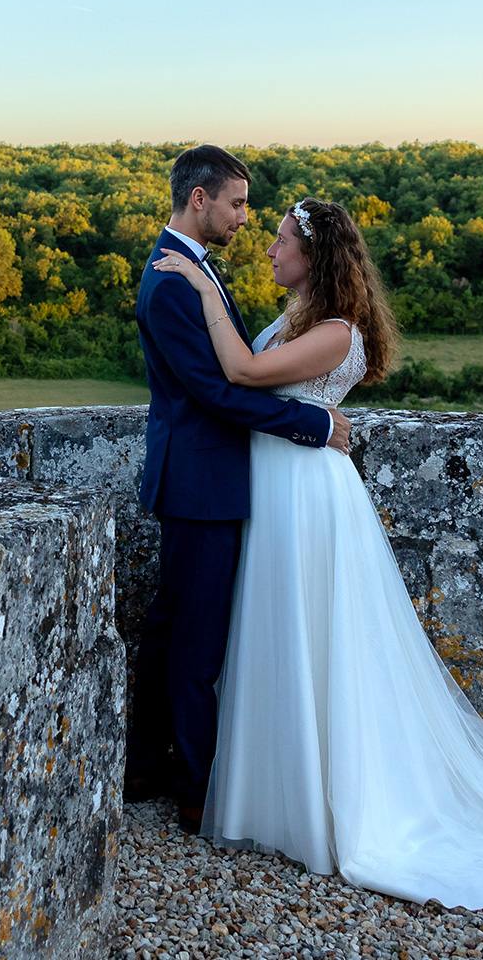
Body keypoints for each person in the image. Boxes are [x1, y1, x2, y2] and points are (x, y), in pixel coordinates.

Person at [152, 198, 483, 909]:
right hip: (274, 489)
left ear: (313, 255)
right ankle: (272, 797)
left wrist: (200, 288)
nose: (269, 250)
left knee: (315, 640)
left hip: (308, 497)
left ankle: (334, 804)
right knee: (272, 639)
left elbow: (243, 376)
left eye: (282, 240)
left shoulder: (335, 332)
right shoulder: (295, 320)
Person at [128, 147, 351, 837]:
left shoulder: (190, 269)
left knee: (175, 632)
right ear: (200, 200)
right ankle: (193, 789)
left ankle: (147, 769)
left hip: (207, 480)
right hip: (201, 482)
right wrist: (311, 422)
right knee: (196, 644)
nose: (244, 219)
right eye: (236, 204)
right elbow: (216, 393)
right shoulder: (172, 281)